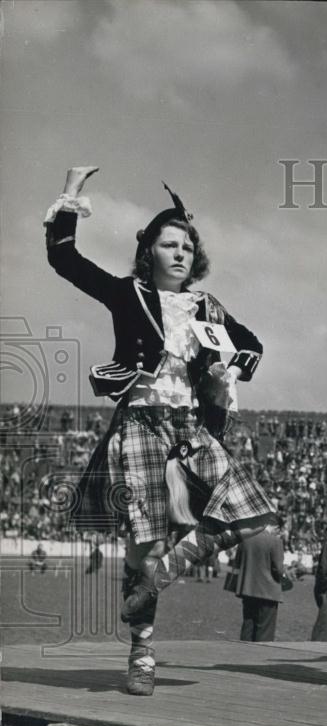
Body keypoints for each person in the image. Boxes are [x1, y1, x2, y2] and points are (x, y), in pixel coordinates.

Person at [45, 166, 277, 696]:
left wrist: (231, 370)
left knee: (254, 519)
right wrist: (72, 195)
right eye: (168, 244)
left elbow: (252, 343)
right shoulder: (128, 294)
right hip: (143, 423)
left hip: (194, 428)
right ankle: (142, 654)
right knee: (140, 549)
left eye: (187, 248)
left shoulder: (208, 306)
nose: (179, 254)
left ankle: (163, 573)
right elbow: (65, 259)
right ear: (147, 251)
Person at [232, 527, 287, 642]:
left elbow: (236, 564)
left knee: (248, 626)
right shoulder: (275, 541)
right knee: (265, 630)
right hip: (268, 591)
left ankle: (243, 655)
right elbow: (279, 570)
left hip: (248, 588)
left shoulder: (244, 540)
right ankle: (260, 656)